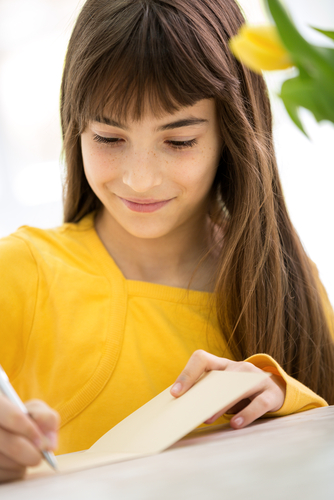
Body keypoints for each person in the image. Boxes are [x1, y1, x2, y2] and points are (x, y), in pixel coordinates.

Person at [0, 0, 333, 483]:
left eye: (178, 142)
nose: (138, 180)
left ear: (232, 134)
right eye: (108, 138)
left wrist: (286, 397)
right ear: (75, 130)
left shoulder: (287, 279)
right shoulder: (21, 271)